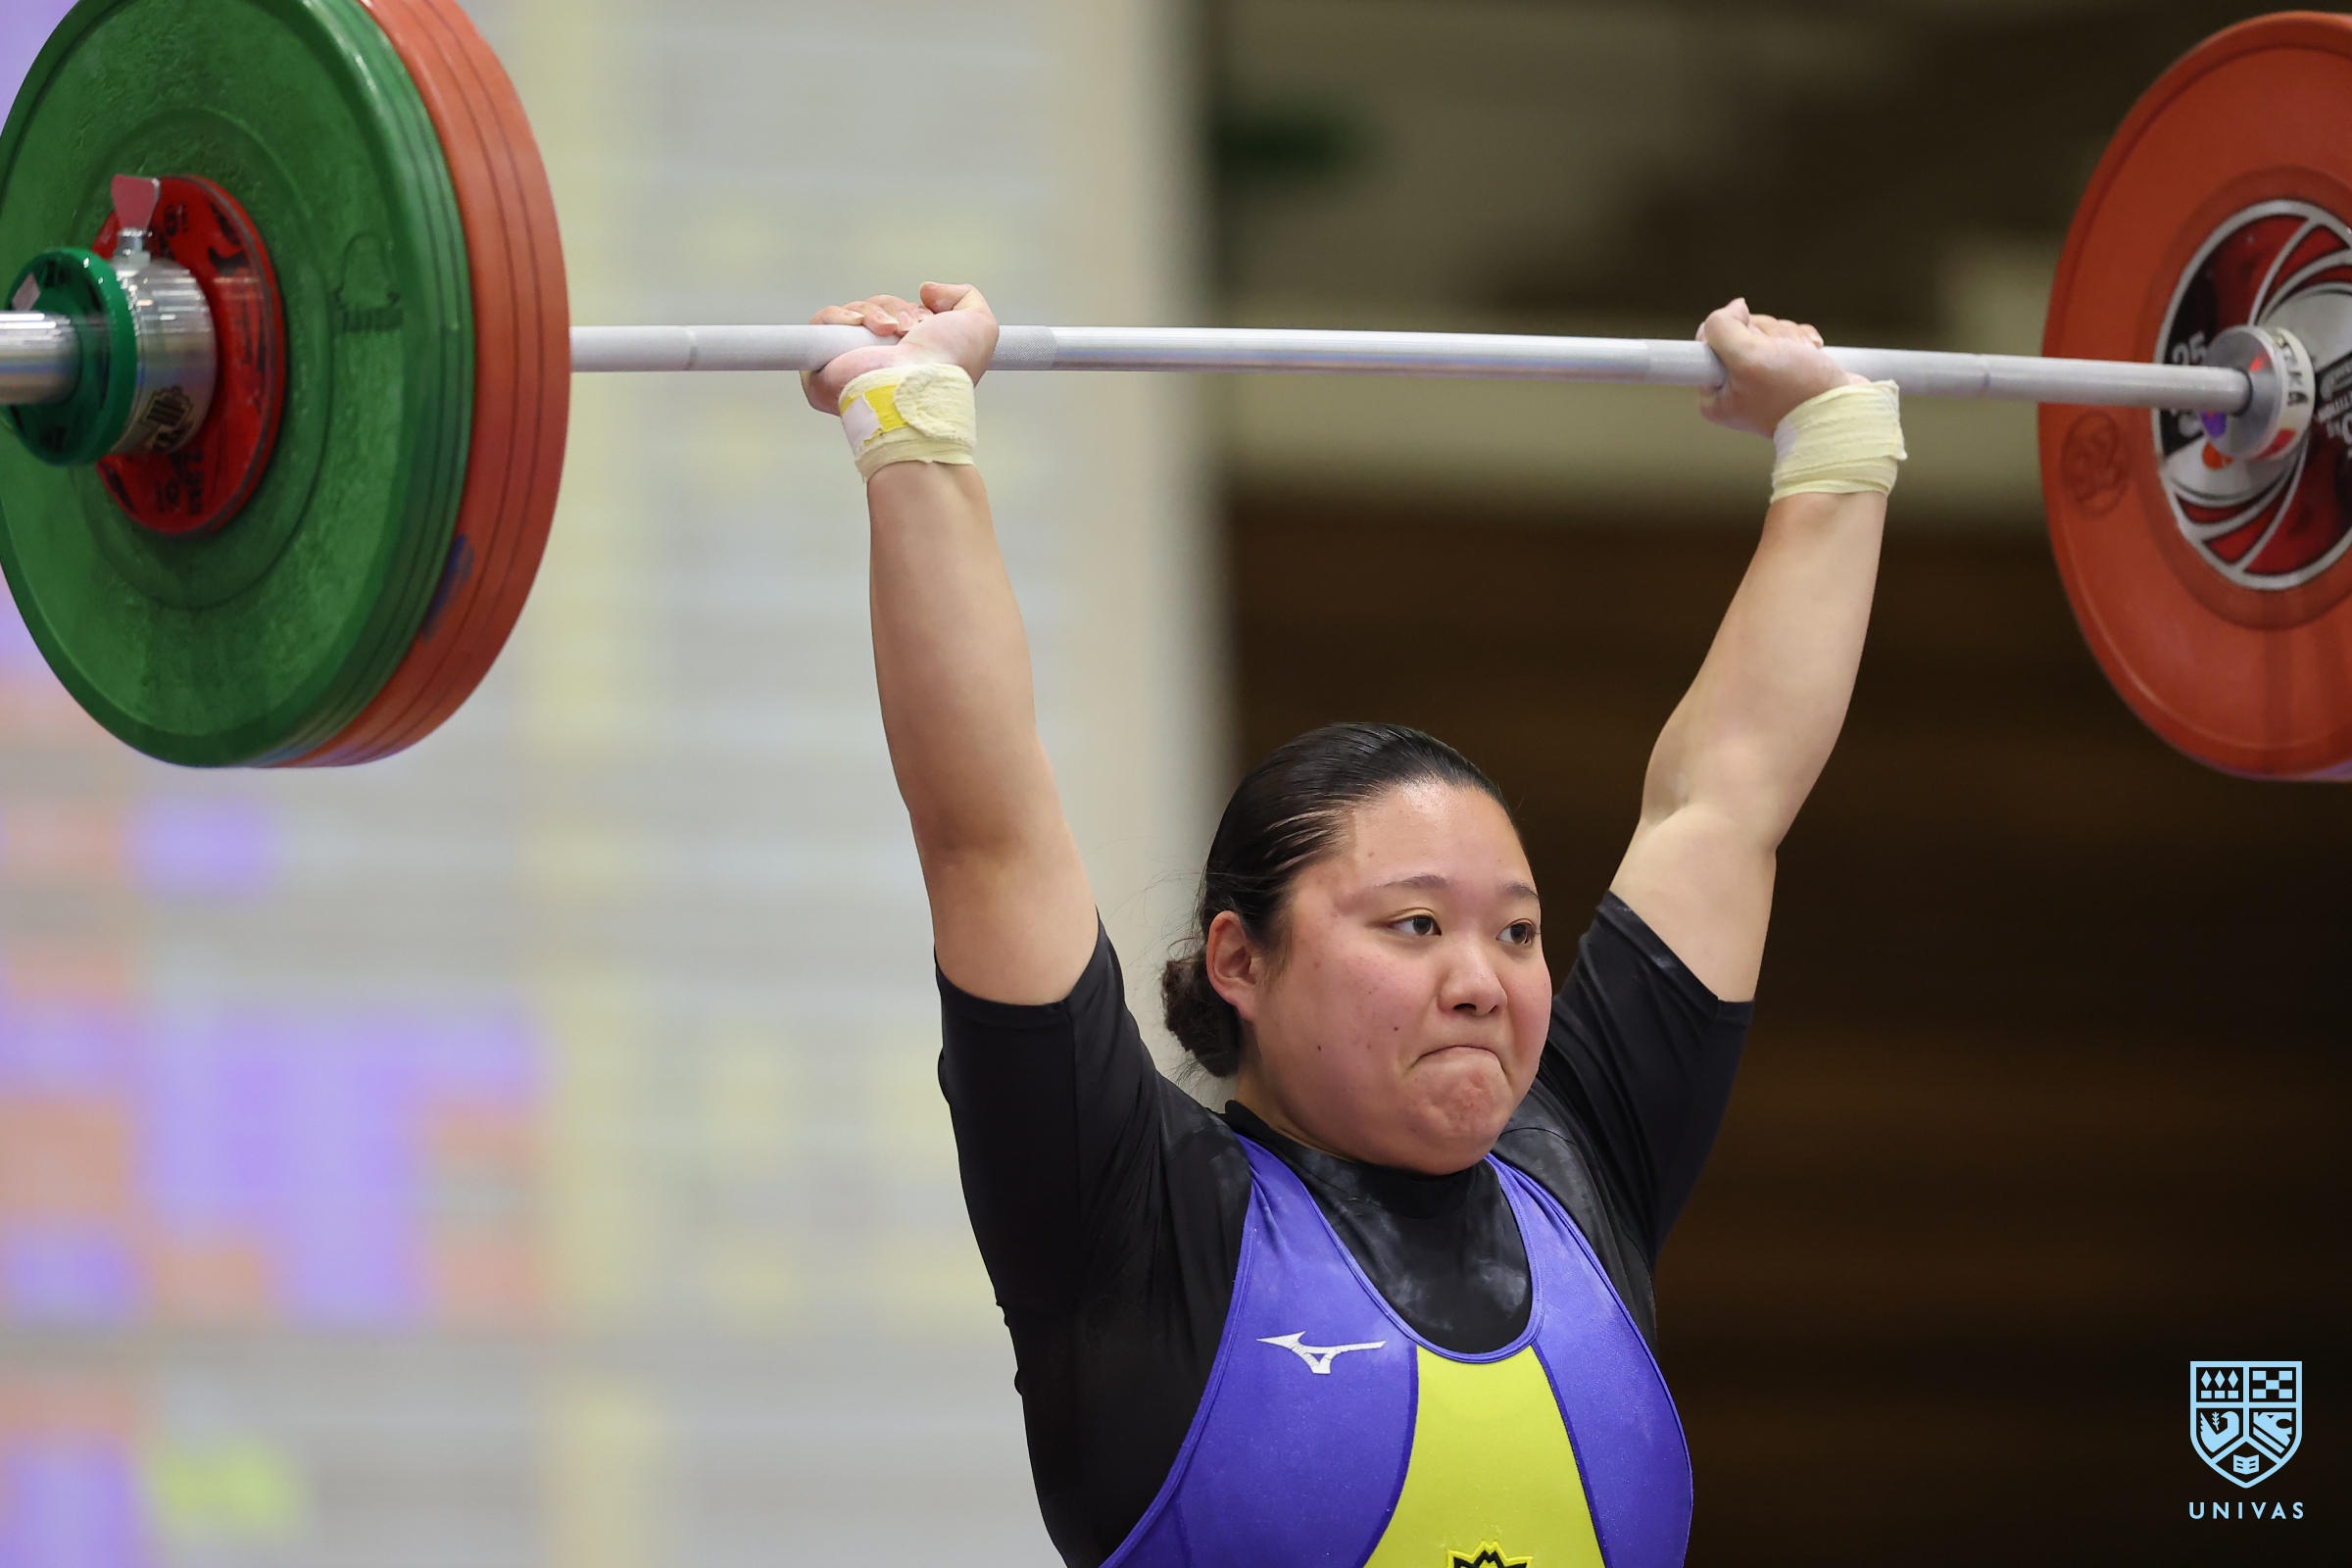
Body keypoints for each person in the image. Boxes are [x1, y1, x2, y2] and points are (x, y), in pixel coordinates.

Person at [801, 284, 1899, 1568]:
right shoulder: (1137, 1222)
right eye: (1416, 924)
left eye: (1517, 933)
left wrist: (1835, 443)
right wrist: (915, 428)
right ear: (1239, 959)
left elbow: (1729, 801)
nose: (1482, 981)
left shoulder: (1581, 1158)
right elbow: (987, 838)